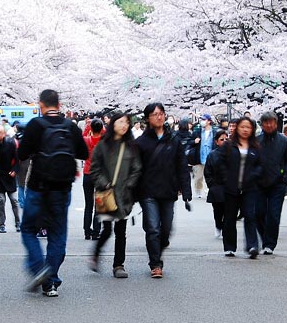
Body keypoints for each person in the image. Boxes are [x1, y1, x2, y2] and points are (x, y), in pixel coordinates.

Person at [18, 89, 88, 296]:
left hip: (38, 186)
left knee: (29, 229)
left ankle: (40, 269)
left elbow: (21, 153)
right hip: (62, 188)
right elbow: (83, 153)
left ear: (41, 105)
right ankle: (52, 282)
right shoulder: (70, 126)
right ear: (59, 104)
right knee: (57, 233)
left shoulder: (35, 125)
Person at [136, 102, 193, 278]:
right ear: (147, 119)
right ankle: (155, 263)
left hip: (168, 191)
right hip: (148, 192)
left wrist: (186, 190)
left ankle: (157, 253)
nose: (159, 116)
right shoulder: (141, 142)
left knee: (166, 229)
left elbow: (182, 166)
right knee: (153, 228)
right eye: (155, 114)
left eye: (161, 113)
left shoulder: (173, 140)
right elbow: (135, 169)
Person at [89, 112, 142, 278]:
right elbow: (95, 169)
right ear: (113, 124)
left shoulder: (131, 146)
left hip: (124, 195)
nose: (124, 125)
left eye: (127, 122)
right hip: (107, 194)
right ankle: (96, 253)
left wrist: (130, 184)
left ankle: (119, 265)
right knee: (106, 230)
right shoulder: (103, 145)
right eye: (120, 122)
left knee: (121, 231)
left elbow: (137, 168)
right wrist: (104, 183)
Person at [212, 116, 262, 258]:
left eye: (248, 127)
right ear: (237, 128)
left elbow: (260, 165)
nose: (245, 130)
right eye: (242, 127)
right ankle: (229, 247)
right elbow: (219, 162)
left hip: (249, 187)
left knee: (250, 215)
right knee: (230, 217)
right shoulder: (229, 145)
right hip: (231, 187)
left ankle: (252, 245)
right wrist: (226, 177)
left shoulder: (255, 147)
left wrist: (254, 175)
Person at [256, 111, 287, 255]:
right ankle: (264, 236)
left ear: (276, 123)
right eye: (266, 122)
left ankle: (269, 243)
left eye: (272, 122)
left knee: (274, 214)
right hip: (259, 183)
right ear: (262, 124)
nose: (269, 125)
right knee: (259, 212)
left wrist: (286, 179)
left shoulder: (284, 141)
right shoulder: (257, 141)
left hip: (278, 184)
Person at [0, 124, 21, 234]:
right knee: (1, 200)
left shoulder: (10, 143)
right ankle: (1, 224)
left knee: (14, 200)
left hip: (9, 175)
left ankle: (18, 222)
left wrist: (15, 170)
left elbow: (17, 159)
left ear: (4, 134)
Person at [82, 119, 104, 240]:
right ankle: (96, 232)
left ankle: (86, 231)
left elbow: (82, 136)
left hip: (87, 173)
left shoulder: (86, 140)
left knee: (88, 205)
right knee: (99, 205)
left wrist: (87, 126)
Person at [204, 129, 228, 239]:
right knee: (218, 210)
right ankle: (218, 226)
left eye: (226, 139)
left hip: (229, 187)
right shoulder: (212, 155)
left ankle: (226, 229)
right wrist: (211, 185)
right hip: (216, 187)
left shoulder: (233, 153)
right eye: (222, 139)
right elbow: (207, 172)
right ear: (216, 142)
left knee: (229, 211)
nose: (224, 141)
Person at [192, 114, 214, 199]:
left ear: (209, 121)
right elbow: (190, 141)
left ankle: (208, 191)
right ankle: (198, 190)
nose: (202, 121)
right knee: (198, 176)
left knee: (210, 176)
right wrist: (194, 141)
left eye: (204, 120)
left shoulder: (214, 131)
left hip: (210, 156)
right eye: (202, 119)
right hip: (199, 156)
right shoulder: (197, 131)